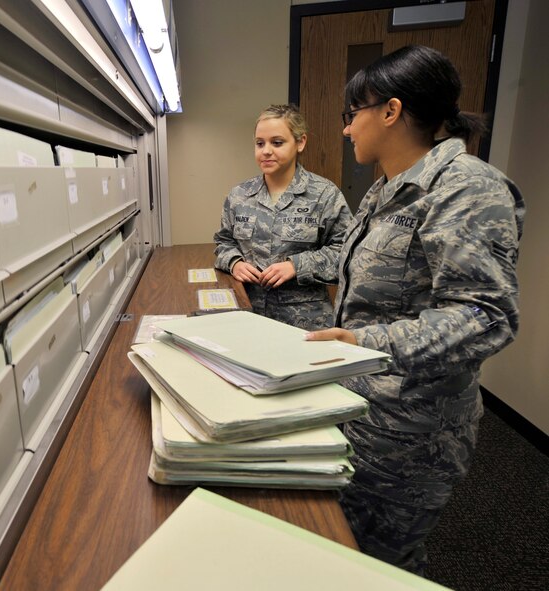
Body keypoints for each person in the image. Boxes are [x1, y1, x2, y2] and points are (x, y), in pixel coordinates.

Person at [305, 45, 525, 575]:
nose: (346, 130)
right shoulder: (385, 189)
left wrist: (366, 343)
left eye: (351, 115)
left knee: (382, 566)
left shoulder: (467, 187)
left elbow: (486, 315)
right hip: (363, 414)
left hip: (412, 435)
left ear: (390, 110)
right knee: (346, 554)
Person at [213, 104, 352, 330]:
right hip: (248, 313)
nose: (266, 151)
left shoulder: (325, 195)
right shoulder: (239, 195)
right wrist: (234, 262)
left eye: (277, 143)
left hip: (305, 321)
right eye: (260, 143)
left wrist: (296, 266)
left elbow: (346, 253)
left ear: (300, 142)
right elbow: (224, 242)